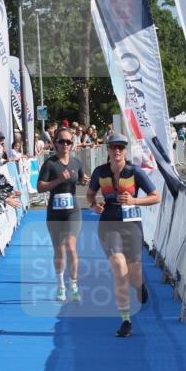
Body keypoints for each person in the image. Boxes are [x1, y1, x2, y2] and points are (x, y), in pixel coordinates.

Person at [86, 133, 161, 338]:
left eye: (120, 147)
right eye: (113, 147)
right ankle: (126, 320)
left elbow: (156, 197)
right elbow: (90, 195)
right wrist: (94, 206)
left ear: (125, 150)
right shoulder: (100, 172)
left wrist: (135, 201)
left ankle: (141, 285)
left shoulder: (135, 172)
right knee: (119, 268)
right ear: (107, 150)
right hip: (108, 225)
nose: (116, 150)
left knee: (134, 275)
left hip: (132, 226)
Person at [37, 127, 89, 302]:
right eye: (62, 141)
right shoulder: (50, 164)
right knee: (59, 250)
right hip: (55, 212)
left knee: (71, 247)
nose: (65, 144)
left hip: (73, 211)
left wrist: (83, 180)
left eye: (68, 141)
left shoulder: (76, 162)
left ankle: (73, 285)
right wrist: (59, 180)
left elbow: (80, 180)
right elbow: (40, 187)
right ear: (55, 143)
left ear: (72, 144)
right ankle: (60, 286)